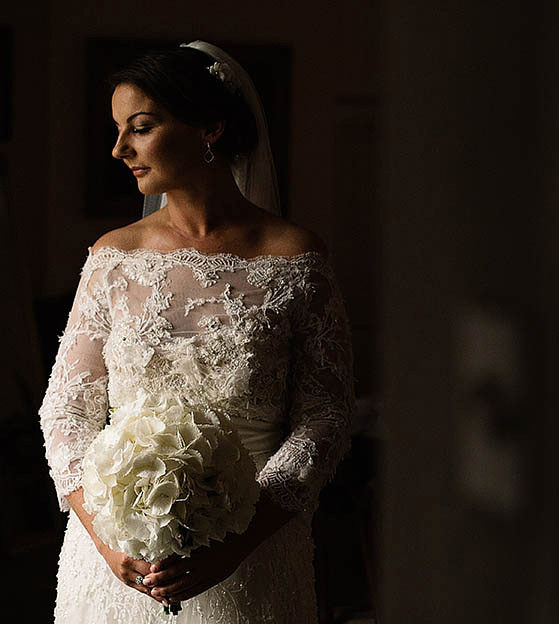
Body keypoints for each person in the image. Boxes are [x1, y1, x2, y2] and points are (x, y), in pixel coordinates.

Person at [38, 41, 355, 622]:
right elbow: (65, 411)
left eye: (141, 127)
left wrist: (238, 541)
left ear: (209, 127)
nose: (119, 149)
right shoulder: (114, 259)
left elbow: (325, 416)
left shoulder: (296, 259)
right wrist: (109, 543)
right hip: (118, 561)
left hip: (254, 553)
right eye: (117, 130)